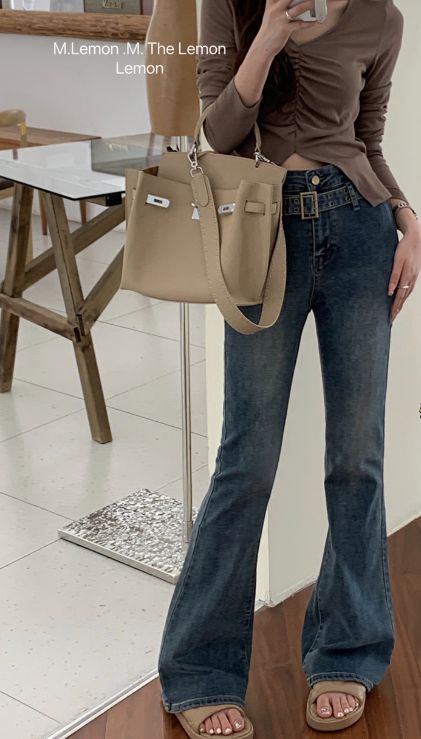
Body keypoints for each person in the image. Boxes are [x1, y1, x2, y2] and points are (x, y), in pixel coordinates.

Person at [158, 0, 421, 735]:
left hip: (360, 232)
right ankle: (199, 670)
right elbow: (214, 135)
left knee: (356, 458)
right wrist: (269, 34)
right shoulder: (231, 6)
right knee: (245, 461)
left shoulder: (381, 18)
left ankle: (347, 651)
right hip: (259, 233)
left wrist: (405, 214)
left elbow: (367, 139)